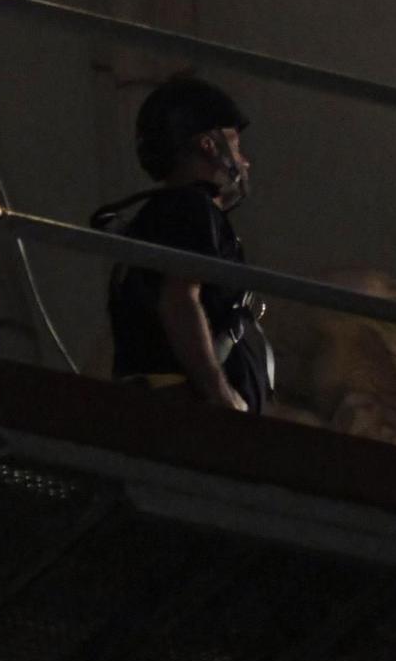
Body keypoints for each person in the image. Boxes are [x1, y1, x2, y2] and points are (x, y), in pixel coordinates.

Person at [100, 74, 271, 413]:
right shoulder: (190, 208)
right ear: (209, 145)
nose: (245, 160)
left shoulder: (161, 215)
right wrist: (220, 396)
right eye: (235, 145)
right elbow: (179, 300)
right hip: (187, 410)